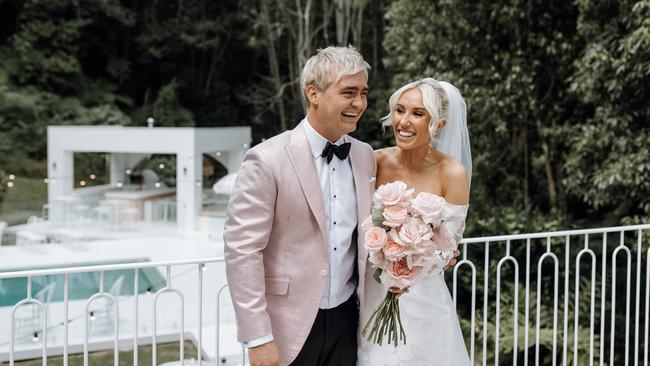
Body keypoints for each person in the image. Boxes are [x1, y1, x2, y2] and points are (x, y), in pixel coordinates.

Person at [223, 45, 375, 366]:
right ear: (313, 93)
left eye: (363, 93)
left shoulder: (365, 155)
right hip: (286, 327)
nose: (359, 103)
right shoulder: (267, 159)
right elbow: (243, 249)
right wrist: (258, 337)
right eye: (348, 92)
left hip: (348, 320)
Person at [357, 78, 472, 366]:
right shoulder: (374, 160)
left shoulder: (453, 173)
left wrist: (407, 268)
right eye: (400, 110)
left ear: (439, 125)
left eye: (418, 114)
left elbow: (448, 247)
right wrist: (384, 253)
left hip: (425, 302)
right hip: (373, 295)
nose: (404, 121)